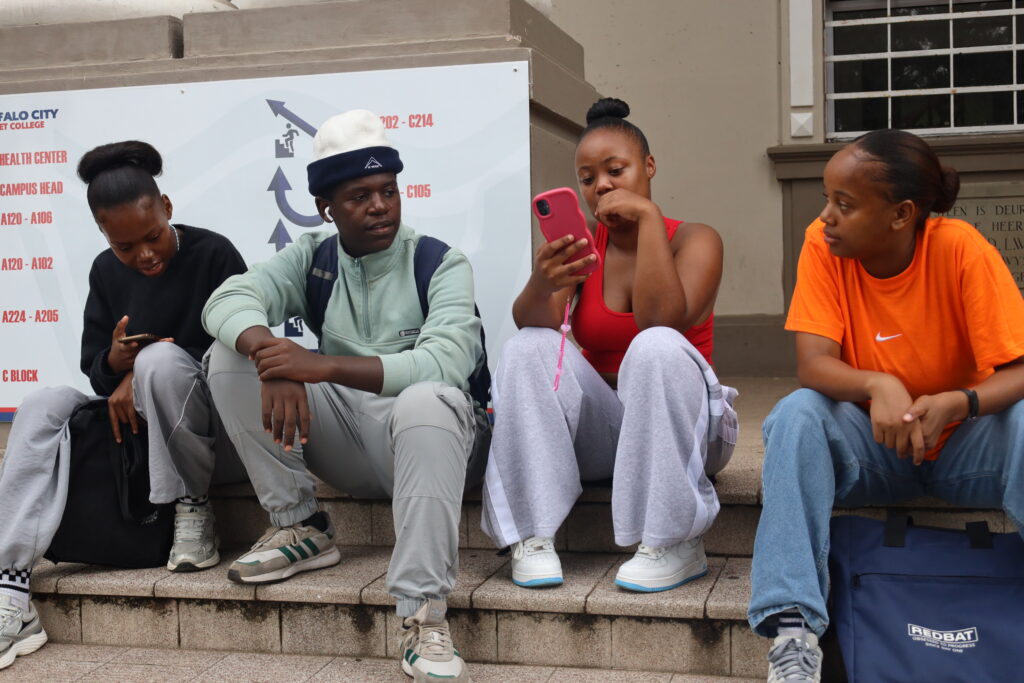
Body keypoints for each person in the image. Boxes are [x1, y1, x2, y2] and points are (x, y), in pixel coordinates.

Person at [202, 109, 489, 683]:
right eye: (359, 196)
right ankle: (301, 525)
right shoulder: (313, 257)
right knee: (228, 356)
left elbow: (445, 363)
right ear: (325, 208)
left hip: (444, 445)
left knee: (427, 399)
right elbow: (226, 299)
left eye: (388, 191)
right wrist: (273, 357)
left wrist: (319, 364)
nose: (380, 206)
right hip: (352, 441)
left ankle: (423, 613)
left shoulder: (438, 261)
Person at [747, 129, 1024, 682]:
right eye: (826, 198)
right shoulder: (823, 244)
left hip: (966, 451)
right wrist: (877, 384)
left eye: (844, 204)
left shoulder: (960, 248)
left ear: (901, 214)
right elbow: (814, 364)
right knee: (798, 414)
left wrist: (960, 403)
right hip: (874, 450)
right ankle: (793, 634)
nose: (825, 216)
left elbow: (1019, 370)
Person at [0, 140, 247, 670]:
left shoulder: (214, 254)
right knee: (41, 403)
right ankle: (10, 586)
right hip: (134, 433)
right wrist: (115, 360)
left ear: (167, 207)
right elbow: (95, 368)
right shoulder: (105, 271)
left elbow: (236, 355)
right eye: (125, 246)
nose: (144, 255)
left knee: (159, 362)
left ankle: (192, 507)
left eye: (152, 236)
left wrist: (141, 369)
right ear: (104, 234)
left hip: (210, 435)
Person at [481, 98, 737, 593]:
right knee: (527, 346)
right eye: (587, 178)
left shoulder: (696, 239)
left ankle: (674, 540)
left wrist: (648, 220)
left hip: (690, 430)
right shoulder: (586, 247)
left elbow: (662, 321)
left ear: (649, 167)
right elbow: (533, 323)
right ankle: (532, 536)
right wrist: (543, 280)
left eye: (615, 171)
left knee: (656, 345)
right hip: (612, 431)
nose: (601, 186)